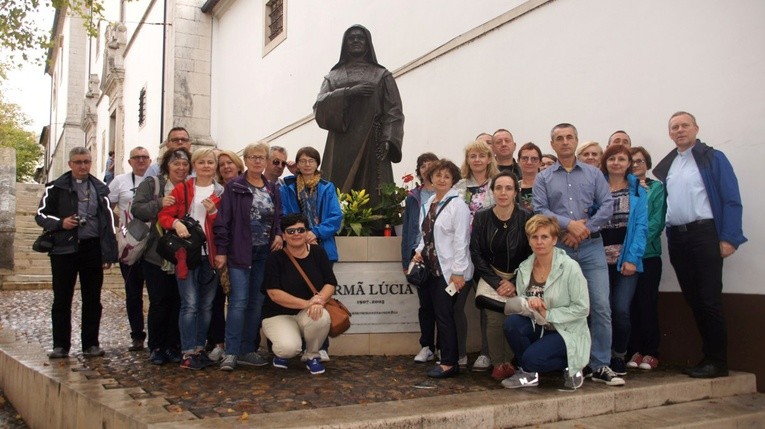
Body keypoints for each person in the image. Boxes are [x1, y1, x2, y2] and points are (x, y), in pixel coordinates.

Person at [653, 111, 746, 379]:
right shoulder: (670, 165)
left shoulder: (712, 158)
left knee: (709, 299)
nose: (680, 130)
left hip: (705, 235)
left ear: (696, 128)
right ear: (670, 133)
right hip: (679, 238)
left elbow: (731, 199)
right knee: (694, 299)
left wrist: (729, 237)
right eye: (674, 127)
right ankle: (708, 357)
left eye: (685, 125)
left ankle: (717, 361)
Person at [533, 123, 622, 386]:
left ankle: (600, 364)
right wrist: (567, 224)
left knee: (601, 306)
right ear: (552, 144)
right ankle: (573, 363)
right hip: (560, 249)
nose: (564, 142)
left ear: (576, 140)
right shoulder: (544, 178)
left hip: (592, 247)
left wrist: (583, 229)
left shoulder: (594, 174)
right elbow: (539, 208)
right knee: (565, 307)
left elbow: (608, 205)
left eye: (569, 137)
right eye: (559, 138)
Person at [36, 147, 118, 358]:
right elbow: (41, 215)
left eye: (87, 162)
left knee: (93, 298)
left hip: (91, 248)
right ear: (70, 164)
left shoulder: (100, 189)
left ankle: (91, 344)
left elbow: (107, 222)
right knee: (62, 298)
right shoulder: (56, 188)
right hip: (64, 249)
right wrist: (61, 223)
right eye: (79, 162)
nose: (83, 166)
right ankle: (60, 345)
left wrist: (108, 253)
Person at [314, 25, 404, 206]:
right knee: (338, 194)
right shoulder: (333, 77)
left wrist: (389, 138)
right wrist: (348, 92)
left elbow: (393, 110)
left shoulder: (381, 75)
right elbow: (320, 106)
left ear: (367, 43)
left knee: (373, 191)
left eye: (360, 38)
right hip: (340, 143)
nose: (355, 41)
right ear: (345, 44)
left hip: (373, 139)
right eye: (351, 38)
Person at [214, 142, 283, 371]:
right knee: (238, 302)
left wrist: (279, 235)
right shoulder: (234, 186)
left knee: (256, 302)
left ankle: (246, 349)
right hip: (240, 253)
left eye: (261, 157)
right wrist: (222, 252)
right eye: (252, 157)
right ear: (245, 160)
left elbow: (277, 218)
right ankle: (231, 351)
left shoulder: (272, 188)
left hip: (264, 252)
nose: (257, 161)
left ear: (266, 161)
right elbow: (222, 222)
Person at [501, 215, 590, 390]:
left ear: (554, 240)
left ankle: (573, 365)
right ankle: (529, 375)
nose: (539, 242)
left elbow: (583, 308)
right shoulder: (525, 267)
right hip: (540, 326)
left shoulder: (570, 267)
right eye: (534, 237)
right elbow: (523, 306)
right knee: (511, 324)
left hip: (566, 330)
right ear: (529, 240)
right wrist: (529, 302)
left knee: (531, 359)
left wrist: (548, 313)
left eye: (545, 237)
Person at [158, 148, 223, 370]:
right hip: (186, 254)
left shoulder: (221, 192)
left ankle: (198, 348)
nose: (206, 166)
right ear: (194, 165)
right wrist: (176, 223)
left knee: (206, 306)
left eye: (210, 162)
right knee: (190, 304)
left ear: (215, 166)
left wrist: (214, 213)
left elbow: (225, 226)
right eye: (201, 162)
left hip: (211, 255)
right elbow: (165, 215)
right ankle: (187, 351)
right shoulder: (183, 189)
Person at [412, 159, 474, 378]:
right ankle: (444, 356)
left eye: (447, 176)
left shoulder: (458, 206)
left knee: (445, 315)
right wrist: (419, 251)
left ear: (453, 181)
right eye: (438, 175)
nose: (442, 179)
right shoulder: (429, 203)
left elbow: (461, 241)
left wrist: (458, 272)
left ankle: (450, 362)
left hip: (447, 273)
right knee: (437, 314)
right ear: (431, 177)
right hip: (430, 269)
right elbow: (425, 234)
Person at [281, 146, 343, 361]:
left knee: (321, 297)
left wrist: (314, 232)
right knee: (298, 295)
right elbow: (285, 215)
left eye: (311, 160)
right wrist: (300, 233)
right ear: (297, 164)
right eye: (303, 160)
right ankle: (297, 344)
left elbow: (335, 217)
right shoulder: (288, 187)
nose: (307, 164)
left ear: (317, 164)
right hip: (295, 248)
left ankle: (320, 347)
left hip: (322, 248)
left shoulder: (327, 187)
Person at [470, 171, 532, 381]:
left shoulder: (526, 218)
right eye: (498, 188)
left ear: (516, 192)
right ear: (492, 191)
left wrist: (514, 282)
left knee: (513, 318)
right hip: (490, 277)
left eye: (508, 188)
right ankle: (498, 363)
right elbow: (476, 253)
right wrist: (497, 282)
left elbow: (533, 254)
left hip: (519, 276)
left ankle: (510, 361)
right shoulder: (482, 217)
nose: (503, 193)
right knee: (495, 319)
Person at [131, 148, 190, 365]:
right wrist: (159, 204)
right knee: (159, 301)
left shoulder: (190, 187)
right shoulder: (153, 184)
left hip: (181, 254)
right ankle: (156, 346)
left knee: (177, 302)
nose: (181, 168)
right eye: (176, 164)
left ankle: (174, 345)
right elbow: (137, 209)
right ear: (167, 166)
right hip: (155, 254)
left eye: (184, 165)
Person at [262, 213, 337, 375]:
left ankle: (311, 356)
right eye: (291, 231)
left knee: (322, 316)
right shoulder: (275, 259)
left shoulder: (318, 253)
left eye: (300, 230)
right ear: (284, 235)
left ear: (307, 232)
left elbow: (330, 283)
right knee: (288, 348)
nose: (296, 234)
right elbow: (274, 294)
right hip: (278, 315)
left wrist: (320, 301)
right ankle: (282, 354)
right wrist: (308, 303)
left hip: (308, 313)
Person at [599, 144, 648, 375]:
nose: (616, 162)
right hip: (598, 260)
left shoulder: (637, 189)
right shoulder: (597, 187)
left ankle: (619, 355)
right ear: (605, 162)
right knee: (602, 309)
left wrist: (632, 258)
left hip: (625, 261)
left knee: (620, 309)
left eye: (621, 159)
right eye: (612, 159)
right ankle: (602, 356)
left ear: (629, 163)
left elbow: (641, 227)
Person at [455, 140, 499, 371]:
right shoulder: (459, 186)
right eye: (473, 156)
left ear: (489, 159)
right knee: (456, 305)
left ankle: (486, 353)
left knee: (486, 304)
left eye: (482, 156)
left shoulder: (497, 185)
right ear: (468, 160)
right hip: (462, 253)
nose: (477, 160)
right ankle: (459, 353)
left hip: (487, 254)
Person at [626, 146, 666, 370]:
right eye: (631, 161)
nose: (635, 165)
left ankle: (651, 351)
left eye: (640, 161)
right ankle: (635, 350)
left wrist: (634, 247)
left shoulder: (656, 188)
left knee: (647, 303)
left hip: (647, 255)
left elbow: (655, 222)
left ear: (647, 164)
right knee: (629, 305)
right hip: (625, 257)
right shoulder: (622, 189)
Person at [108, 146, 151, 351]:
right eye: (137, 158)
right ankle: (137, 335)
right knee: (133, 292)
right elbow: (107, 204)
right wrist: (120, 225)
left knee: (157, 294)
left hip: (153, 244)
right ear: (130, 162)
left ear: (150, 160)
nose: (141, 161)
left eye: (144, 157)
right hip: (130, 244)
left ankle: (158, 336)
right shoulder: (120, 181)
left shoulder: (158, 179)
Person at [205, 149, 244, 361]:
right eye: (222, 165)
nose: (227, 167)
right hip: (219, 253)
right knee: (217, 300)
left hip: (242, 253)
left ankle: (242, 345)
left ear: (239, 165)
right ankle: (219, 343)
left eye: (230, 163)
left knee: (240, 301)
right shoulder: (215, 192)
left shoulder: (248, 188)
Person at [401, 152, 439, 364]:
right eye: (423, 164)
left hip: (442, 258)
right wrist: (406, 261)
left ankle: (444, 346)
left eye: (431, 164)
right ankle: (427, 346)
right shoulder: (413, 197)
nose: (427, 167)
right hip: (418, 256)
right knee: (425, 305)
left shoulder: (448, 194)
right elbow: (407, 231)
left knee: (443, 306)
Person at [517, 142, 543, 212]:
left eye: (534, 159)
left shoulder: (547, 186)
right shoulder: (512, 187)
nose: (529, 162)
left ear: (540, 163)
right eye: (525, 158)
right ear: (518, 161)